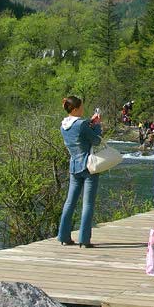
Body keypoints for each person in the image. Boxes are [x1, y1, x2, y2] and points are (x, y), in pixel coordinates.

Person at [58, 96, 103, 248]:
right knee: (88, 203)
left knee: (70, 202)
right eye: (82, 107)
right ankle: (84, 240)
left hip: (74, 166)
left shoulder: (63, 125)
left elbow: (80, 133)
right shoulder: (82, 124)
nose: (84, 109)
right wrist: (96, 125)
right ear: (76, 109)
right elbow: (96, 140)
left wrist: (90, 122)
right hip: (88, 166)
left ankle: (64, 236)